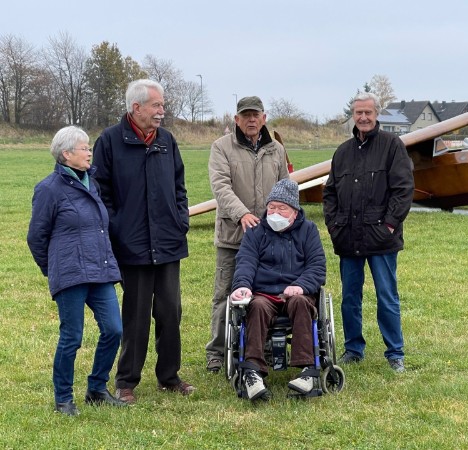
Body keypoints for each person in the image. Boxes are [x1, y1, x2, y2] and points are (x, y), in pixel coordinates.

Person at [92, 79, 194, 404]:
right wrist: (117, 227)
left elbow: (179, 185)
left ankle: (169, 376)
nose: (162, 111)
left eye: (162, 105)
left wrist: (181, 220)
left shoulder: (167, 141)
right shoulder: (109, 141)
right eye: (156, 105)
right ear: (136, 108)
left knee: (170, 312)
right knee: (135, 316)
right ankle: (126, 381)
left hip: (167, 243)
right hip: (132, 245)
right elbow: (99, 191)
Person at [27, 126, 126, 416]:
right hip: (70, 274)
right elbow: (36, 237)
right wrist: (54, 269)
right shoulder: (48, 189)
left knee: (113, 329)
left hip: (100, 271)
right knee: (72, 336)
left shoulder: (91, 183)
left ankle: (96, 388)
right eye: (84, 148)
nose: (89, 152)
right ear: (66, 153)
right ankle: (63, 399)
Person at [322, 92, 414, 373]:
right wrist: (335, 225)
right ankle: (353, 349)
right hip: (349, 237)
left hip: (381, 238)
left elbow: (403, 190)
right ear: (353, 115)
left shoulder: (392, 146)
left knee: (387, 295)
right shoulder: (343, 152)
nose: (363, 118)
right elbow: (330, 192)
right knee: (350, 297)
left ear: (377, 114)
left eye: (368, 113)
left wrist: (388, 225)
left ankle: (394, 352)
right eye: (358, 113)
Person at [205, 96, 288, 373]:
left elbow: (285, 188)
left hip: (268, 238)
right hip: (232, 237)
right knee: (225, 294)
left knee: (262, 293)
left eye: (256, 115)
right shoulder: (221, 147)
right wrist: (242, 214)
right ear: (236, 119)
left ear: (264, 118)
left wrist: (283, 218)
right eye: (245, 115)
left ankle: (260, 345)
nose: (251, 120)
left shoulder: (276, 149)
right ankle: (217, 352)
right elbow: (221, 187)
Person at [230, 179, 326, 400]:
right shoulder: (256, 232)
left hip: (297, 292)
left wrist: (301, 286)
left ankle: (307, 371)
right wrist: (242, 286)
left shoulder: (308, 231)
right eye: (271, 207)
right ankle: (253, 371)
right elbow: (245, 261)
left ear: (294, 211)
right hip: (264, 293)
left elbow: (317, 266)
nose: (275, 212)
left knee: (302, 304)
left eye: (282, 208)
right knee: (257, 307)